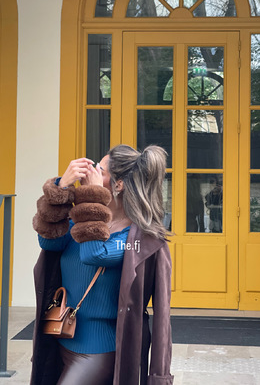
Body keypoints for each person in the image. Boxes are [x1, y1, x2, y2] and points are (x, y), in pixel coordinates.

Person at [30, 144, 174, 385]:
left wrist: (91, 196)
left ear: (118, 184)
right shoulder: (85, 218)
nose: (91, 172)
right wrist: (61, 189)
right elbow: (48, 241)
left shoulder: (137, 240)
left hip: (98, 351)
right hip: (61, 336)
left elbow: (94, 254)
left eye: (100, 169)